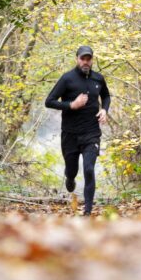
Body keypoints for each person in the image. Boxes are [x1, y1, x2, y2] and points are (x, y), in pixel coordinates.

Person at [45, 45, 110, 216]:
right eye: (83, 58)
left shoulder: (98, 79)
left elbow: (106, 96)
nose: (85, 62)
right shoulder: (67, 79)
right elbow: (49, 101)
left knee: (89, 169)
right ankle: (70, 177)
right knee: (72, 169)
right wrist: (71, 105)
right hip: (70, 134)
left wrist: (105, 110)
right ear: (77, 59)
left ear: (92, 60)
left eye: (88, 59)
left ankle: (87, 211)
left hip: (91, 133)